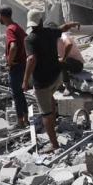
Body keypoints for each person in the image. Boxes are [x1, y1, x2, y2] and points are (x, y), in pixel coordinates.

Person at [22, 10, 80, 152]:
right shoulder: (50, 32)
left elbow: (31, 59)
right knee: (50, 100)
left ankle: (54, 145)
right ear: (41, 21)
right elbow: (63, 28)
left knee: (46, 114)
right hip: (56, 77)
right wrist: (73, 23)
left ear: (30, 24)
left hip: (42, 83)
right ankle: (53, 121)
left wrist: (25, 80)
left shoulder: (30, 39)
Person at [0, 6, 29, 127]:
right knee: (20, 94)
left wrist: (9, 63)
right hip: (23, 65)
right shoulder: (17, 27)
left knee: (16, 95)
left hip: (16, 67)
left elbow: (13, 46)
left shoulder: (10, 29)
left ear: (1, 16)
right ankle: (25, 119)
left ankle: (20, 122)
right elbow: (26, 40)